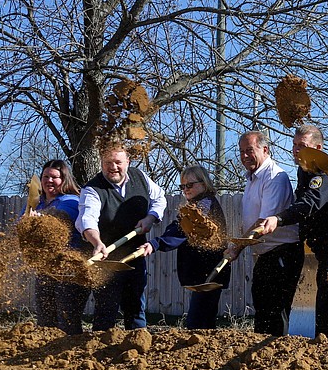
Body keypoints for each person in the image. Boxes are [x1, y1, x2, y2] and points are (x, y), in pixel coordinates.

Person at [256, 125, 328, 340]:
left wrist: (279, 219)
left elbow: (309, 204)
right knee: (324, 300)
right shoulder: (304, 170)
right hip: (326, 247)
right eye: (294, 145)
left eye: (302, 146)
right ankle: (323, 348)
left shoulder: (325, 173)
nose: (296, 150)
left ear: (317, 147)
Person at [77, 143, 167, 331]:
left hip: (135, 255)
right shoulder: (92, 189)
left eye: (118, 162)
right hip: (107, 259)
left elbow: (160, 198)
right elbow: (87, 219)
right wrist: (97, 242)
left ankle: (137, 348)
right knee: (106, 309)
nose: (113, 167)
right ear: (101, 162)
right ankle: (99, 351)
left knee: (135, 307)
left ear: (128, 161)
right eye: (108, 162)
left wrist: (151, 217)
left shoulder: (140, 177)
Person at [225, 130, 301, 336]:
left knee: (275, 312)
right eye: (241, 151)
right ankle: (259, 360)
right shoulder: (252, 178)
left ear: (265, 149)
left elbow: (263, 223)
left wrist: (238, 247)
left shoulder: (275, 177)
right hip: (266, 253)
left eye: (249, 150)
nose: (244, 156)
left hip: (282, 253)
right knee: (262, 308)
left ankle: (275, 358)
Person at [140, 166, 230, 330]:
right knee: (204, 319)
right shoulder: (197, 205)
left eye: (190, 185)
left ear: (203, 184)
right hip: (206, 274)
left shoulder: (204, 206)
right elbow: (177, 225)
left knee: (196, 322)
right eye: (182, 186)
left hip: (210, 273)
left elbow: (181, 230)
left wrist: (156, 243)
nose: (185, 190)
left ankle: (201, 351)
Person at [34, 159, 90, 335]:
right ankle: (44, 355)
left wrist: (40, 220)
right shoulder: (37, 204)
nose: (49, 180)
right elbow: (23, 223)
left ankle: (70, 357)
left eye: (54, 177)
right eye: (46, 176)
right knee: (45, 319)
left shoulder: (71, 201)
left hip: (70, 268)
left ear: (64, 180)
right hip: (45, 268)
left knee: (67, 319)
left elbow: (60, 218)